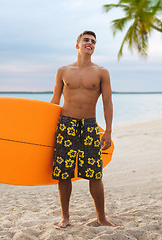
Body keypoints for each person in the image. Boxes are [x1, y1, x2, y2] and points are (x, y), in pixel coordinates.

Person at [50, 30, 115, 228]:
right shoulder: (63, 70)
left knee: (95, 173)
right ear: (77, 45)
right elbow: (55, 101)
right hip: (66, 124)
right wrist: (45, 128)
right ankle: (65, 217)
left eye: (93, 41)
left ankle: (101, 218)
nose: (90, 43)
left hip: (89, 126)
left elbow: (107, 102)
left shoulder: (101, 72)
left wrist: (108, 132)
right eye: (86, 40)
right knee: (64, 173)